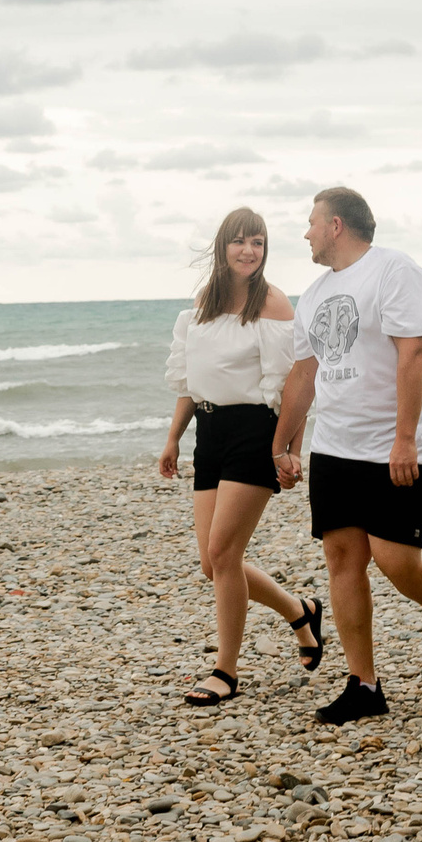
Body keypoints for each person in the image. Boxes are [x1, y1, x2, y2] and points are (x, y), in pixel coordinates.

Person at [272, 186, 422, 724]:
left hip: (395, 444)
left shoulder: (395, 271)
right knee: (343, 559)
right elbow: (304, 374)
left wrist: (405, 438)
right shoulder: (314, 293)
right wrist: (283, 442)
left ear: (336, 224)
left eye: (311, 222)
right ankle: (364, 685)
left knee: (395, 561)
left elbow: (412, 352)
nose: (307, 233)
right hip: (337, 446)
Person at [158, 206, 326, 707]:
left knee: (225, 555)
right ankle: (301, 611)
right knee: (213, 563)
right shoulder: (203, 303)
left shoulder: (272, 302)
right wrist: (173, 438)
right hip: (208, 433)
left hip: (256, 432)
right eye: (239, 241)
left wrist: (291, 450)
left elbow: (295, 383)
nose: (248, 250)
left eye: (257, 241)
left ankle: (225, 671)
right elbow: (190, 383)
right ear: (222, 247)